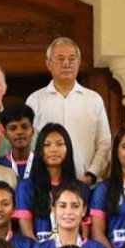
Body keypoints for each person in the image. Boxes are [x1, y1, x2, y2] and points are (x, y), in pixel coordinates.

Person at [26, 37, 111, 183]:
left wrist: (91, 175)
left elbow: (105, 143)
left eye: (72, 59)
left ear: (78, 63)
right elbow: (30, 144)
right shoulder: (35, 100)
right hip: (47, 186)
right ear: (48, 64)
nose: (66, 64)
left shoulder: (93, 100)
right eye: (60, 59)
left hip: (87, 185)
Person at [15, 123, 88, 242]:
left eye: (59, 144)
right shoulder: (26, 187)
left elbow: (84, 235)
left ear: (68, 148)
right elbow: (27, 233)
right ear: (39, 150)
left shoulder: (82, 188)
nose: (53, 149)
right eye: (47, 145)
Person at [0, 104, 36, 184]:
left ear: (33, 131)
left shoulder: (44, 163)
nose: (19, 132)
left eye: (25, 127)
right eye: (13, 128)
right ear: (5, 134)